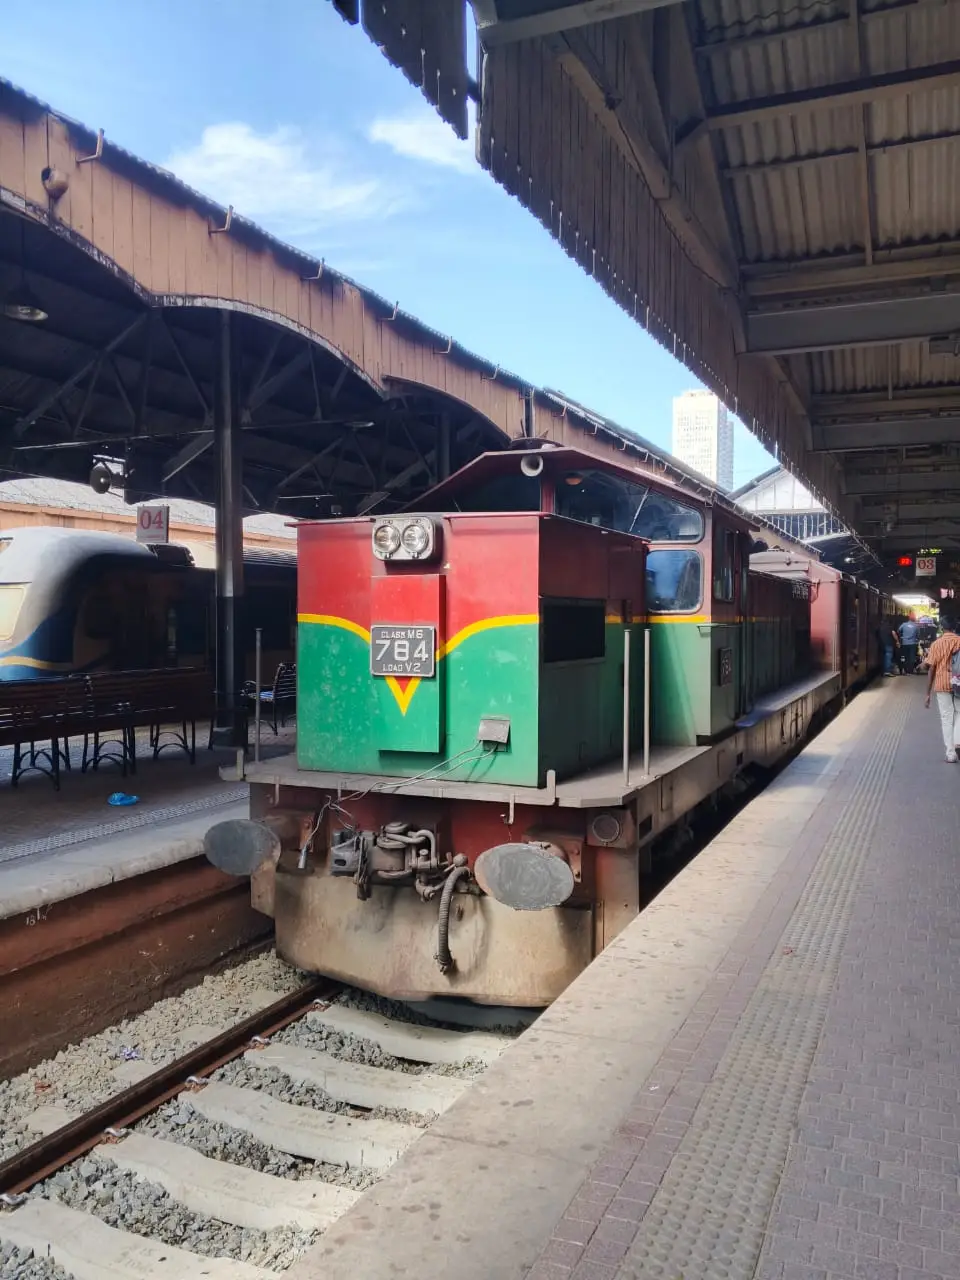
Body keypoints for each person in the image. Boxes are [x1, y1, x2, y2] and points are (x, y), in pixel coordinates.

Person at [925, 617, 960, 761]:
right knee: (959, 713)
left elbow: (931, 668)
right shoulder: (959, 641)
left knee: (946, 718)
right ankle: (958, 740)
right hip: (959, 683)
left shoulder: (936, 644)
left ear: (942, 628)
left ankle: (950, 754)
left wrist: (927, 693)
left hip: (941, 684)